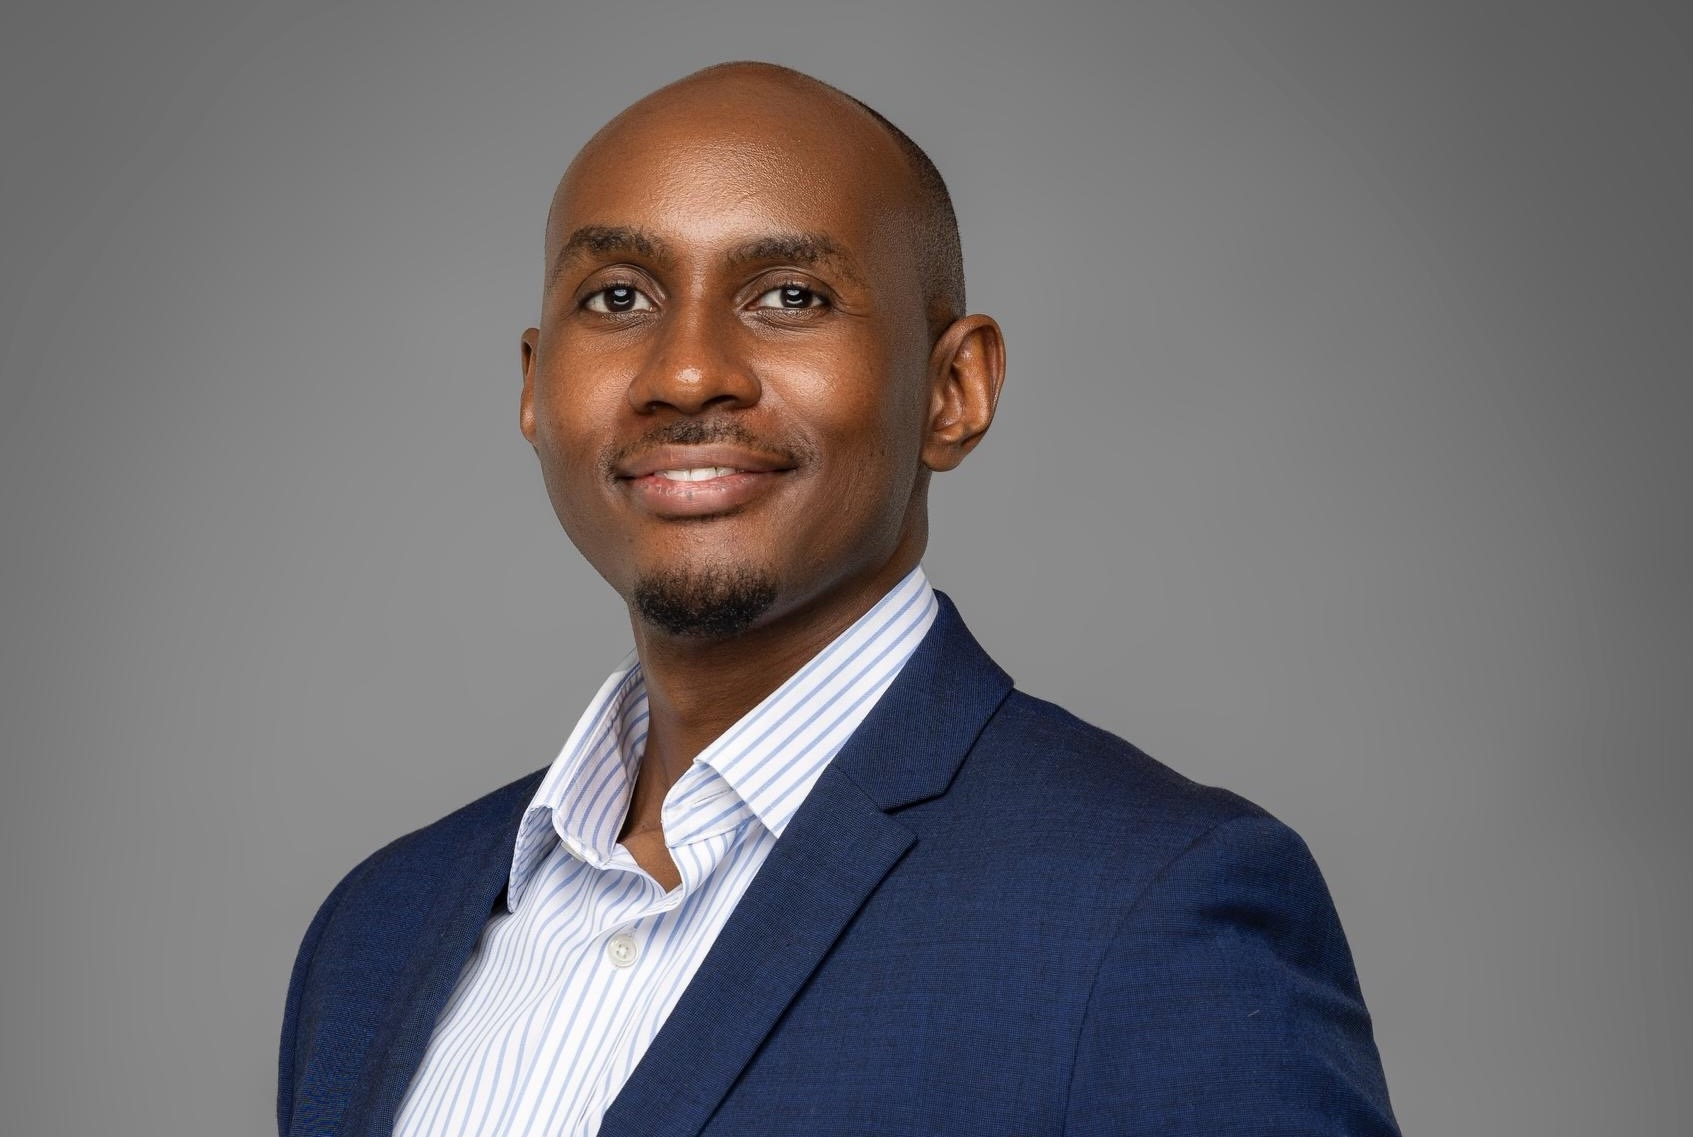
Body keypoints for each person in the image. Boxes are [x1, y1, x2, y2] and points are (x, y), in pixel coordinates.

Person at [277, 62, 1399, 1137]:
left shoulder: (1147, 912)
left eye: (788, 295)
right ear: (533, 385)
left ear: (952, 391)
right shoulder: (377, 931)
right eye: (617, 296)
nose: (684, 372)